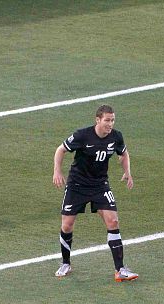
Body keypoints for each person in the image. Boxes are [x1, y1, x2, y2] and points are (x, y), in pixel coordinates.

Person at [52, 105, 138, 281]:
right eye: (107, 120)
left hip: (100, 185)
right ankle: (65, 263)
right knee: (67, 224)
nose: (110, 124)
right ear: (97, 120)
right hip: (77, 185)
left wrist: (127, 171)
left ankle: (120, 269)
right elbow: (60, 149)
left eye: (112, 120)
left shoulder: (116, 137)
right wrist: (57, 171)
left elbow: (124, 153)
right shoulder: (82, 135)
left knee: (113, 220)